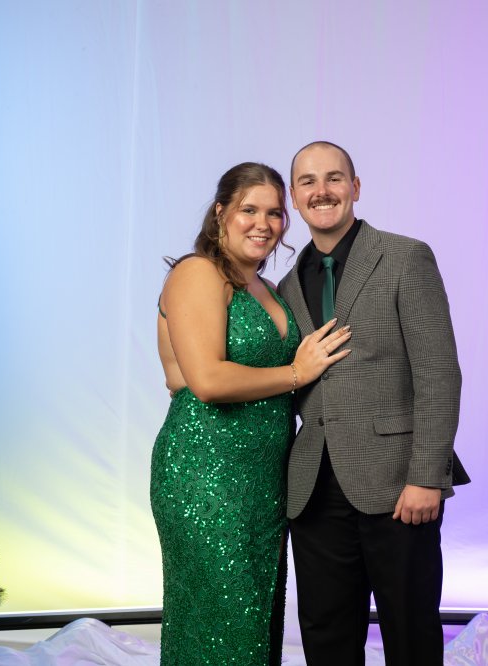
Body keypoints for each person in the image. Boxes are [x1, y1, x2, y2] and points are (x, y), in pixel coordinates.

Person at [150, 162, 351, 666]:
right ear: (221, 212)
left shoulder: (267, 287)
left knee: (257, 622)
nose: (264, 224)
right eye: (249, 210)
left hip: (263, 481)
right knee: (223, 624)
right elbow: (207, 381)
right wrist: (296, 373)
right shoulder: (198, 272)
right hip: (205, 473)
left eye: (275, 213)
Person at [278, 141, 467, 666]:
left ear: (355, 187)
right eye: (308, 181)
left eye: (334, 178)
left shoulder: (405, 257)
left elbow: (439, 373)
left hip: (398, 483)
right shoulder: (286, 285)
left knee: (410, 631)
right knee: (326, 634)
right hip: (314, 489)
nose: (322, 191)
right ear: (294, 196)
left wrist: (427, 476)